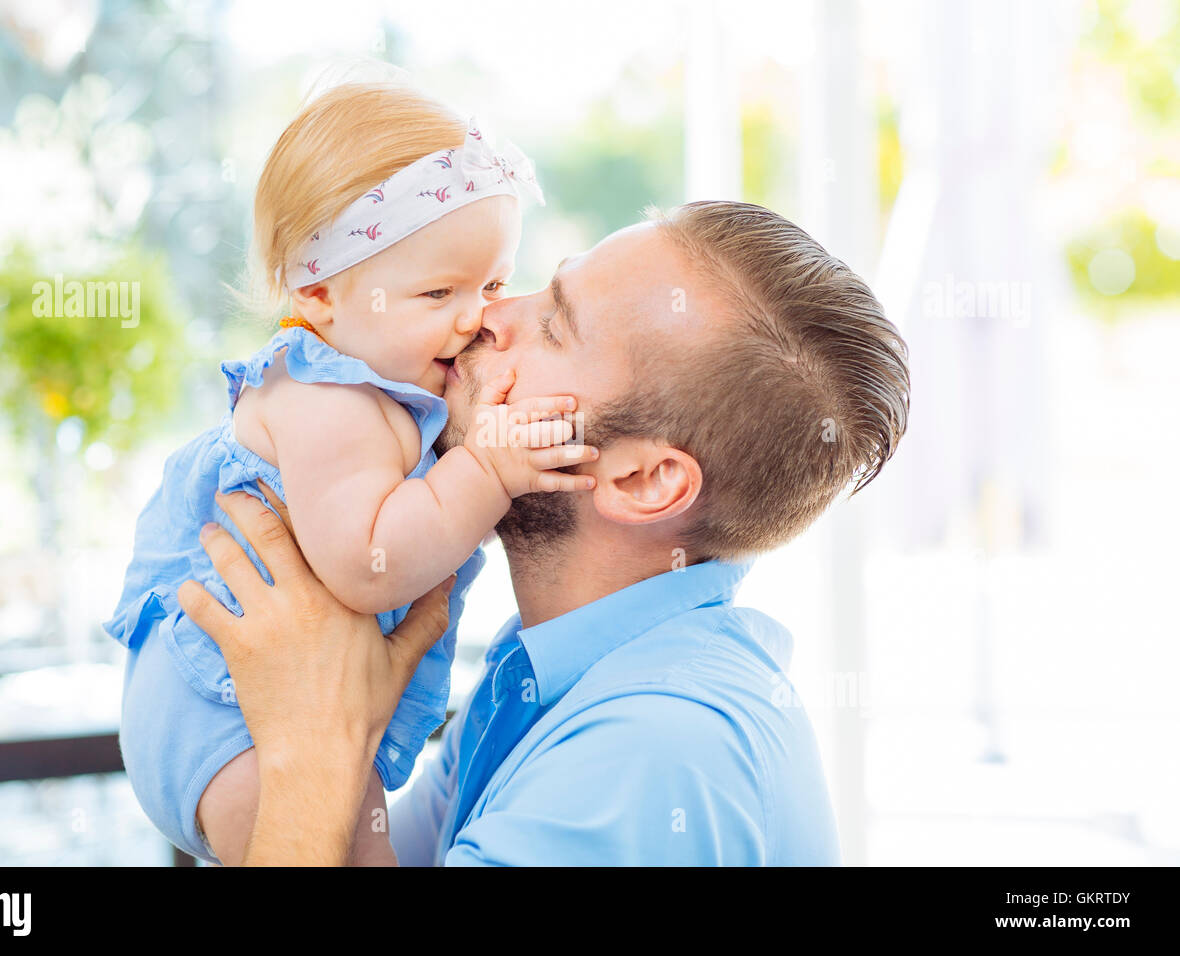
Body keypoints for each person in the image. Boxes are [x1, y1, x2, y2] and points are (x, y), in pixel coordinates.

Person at [180, 199, 911, 865]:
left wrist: (309, 751)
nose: (487, 317)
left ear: (640, 481)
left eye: (554, 327)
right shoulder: (551, 677)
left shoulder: (649, 755)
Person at [103, 82, 591, 866]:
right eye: (439, 292)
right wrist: (488, 468)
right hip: (227, 722)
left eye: (493, 285)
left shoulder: (380, 389)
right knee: (348, 827)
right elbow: (370, 566)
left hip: (237, 713)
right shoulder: (331, 401)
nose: (475, 318)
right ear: (319, 292)